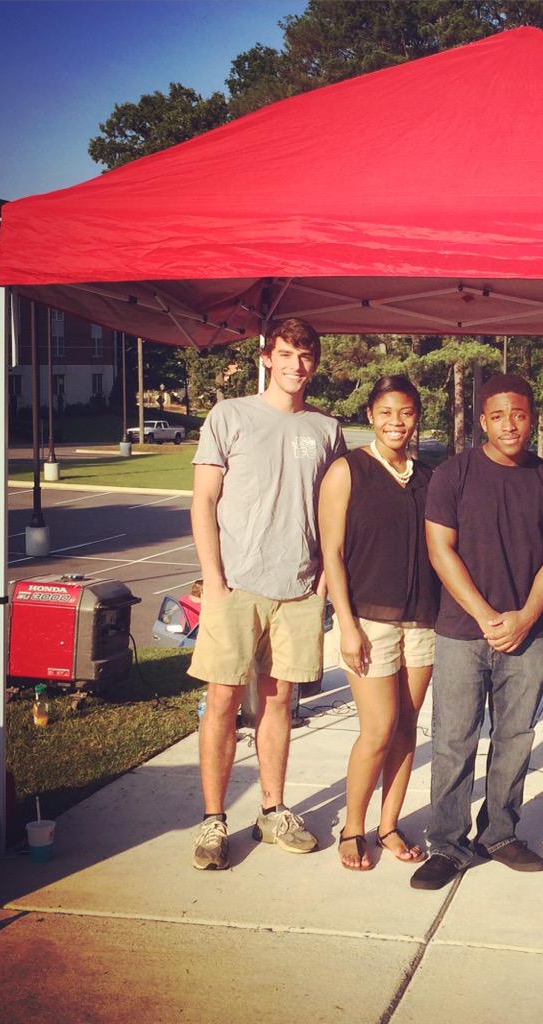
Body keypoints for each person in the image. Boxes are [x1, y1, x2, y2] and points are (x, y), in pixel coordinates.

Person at [188, 317, 346, 871]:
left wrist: (325, 578)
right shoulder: (229, 415)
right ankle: (213, 820)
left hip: (298, 591)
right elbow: (203, 500)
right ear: (266, 356)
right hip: (236, 587)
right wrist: (213, 575)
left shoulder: (326, 429)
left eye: (305, 357)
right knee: (224, 704)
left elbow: (334, 512)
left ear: (314, 364)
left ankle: (273, 810)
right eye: (285, 354)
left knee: (278, 703)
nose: (295, 365)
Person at [410, 373, 543, 890]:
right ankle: (447, 844)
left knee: (515, 738)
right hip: (461, 630)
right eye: (497, 415)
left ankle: (499, 833)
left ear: (532, 416)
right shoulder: (453, 475)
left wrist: (523, 615)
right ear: (482, 420)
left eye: (518, 414)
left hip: (527, 632)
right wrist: (483, 615)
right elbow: (440, 550)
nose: (509, 425)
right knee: (454, 740)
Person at [318, 375, 439, 870]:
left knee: (407, 728)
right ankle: (353, 827)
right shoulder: (347, 471)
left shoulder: (428, 476)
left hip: (423, 620)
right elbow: (332, 552)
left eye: (406, 412)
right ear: (370, 415)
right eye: (386, 411)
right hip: (369, 621)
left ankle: (388, 825)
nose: (396, 422)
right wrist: (346, 626)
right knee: (378, 728)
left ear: (416, 418)